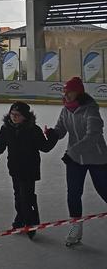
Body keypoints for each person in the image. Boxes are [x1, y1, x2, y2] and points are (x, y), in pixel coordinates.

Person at [45, 77, 107, 247]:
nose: (65, 95)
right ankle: (75, 227)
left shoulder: (90, 110)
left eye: (69, 92)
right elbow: (61, 130)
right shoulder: (66, 110)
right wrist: (52, 133)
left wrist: (71, 151)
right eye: (64, 92)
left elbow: (93, 136)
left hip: (97, 157)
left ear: (79, 93)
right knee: (73, 193)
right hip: (75, 159)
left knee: (104, 190)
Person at [0, 102, 57, 239]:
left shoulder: (33, 130)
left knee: (27, 197)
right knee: (18, 196)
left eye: (17, 115)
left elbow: (45, 147)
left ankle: (30, 224)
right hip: (14, 168)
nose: (14, 117)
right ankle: (21, 219)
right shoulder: (6, 129)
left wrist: (52, 136)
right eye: (12, 114)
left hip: (29, 169)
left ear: (25, 116)